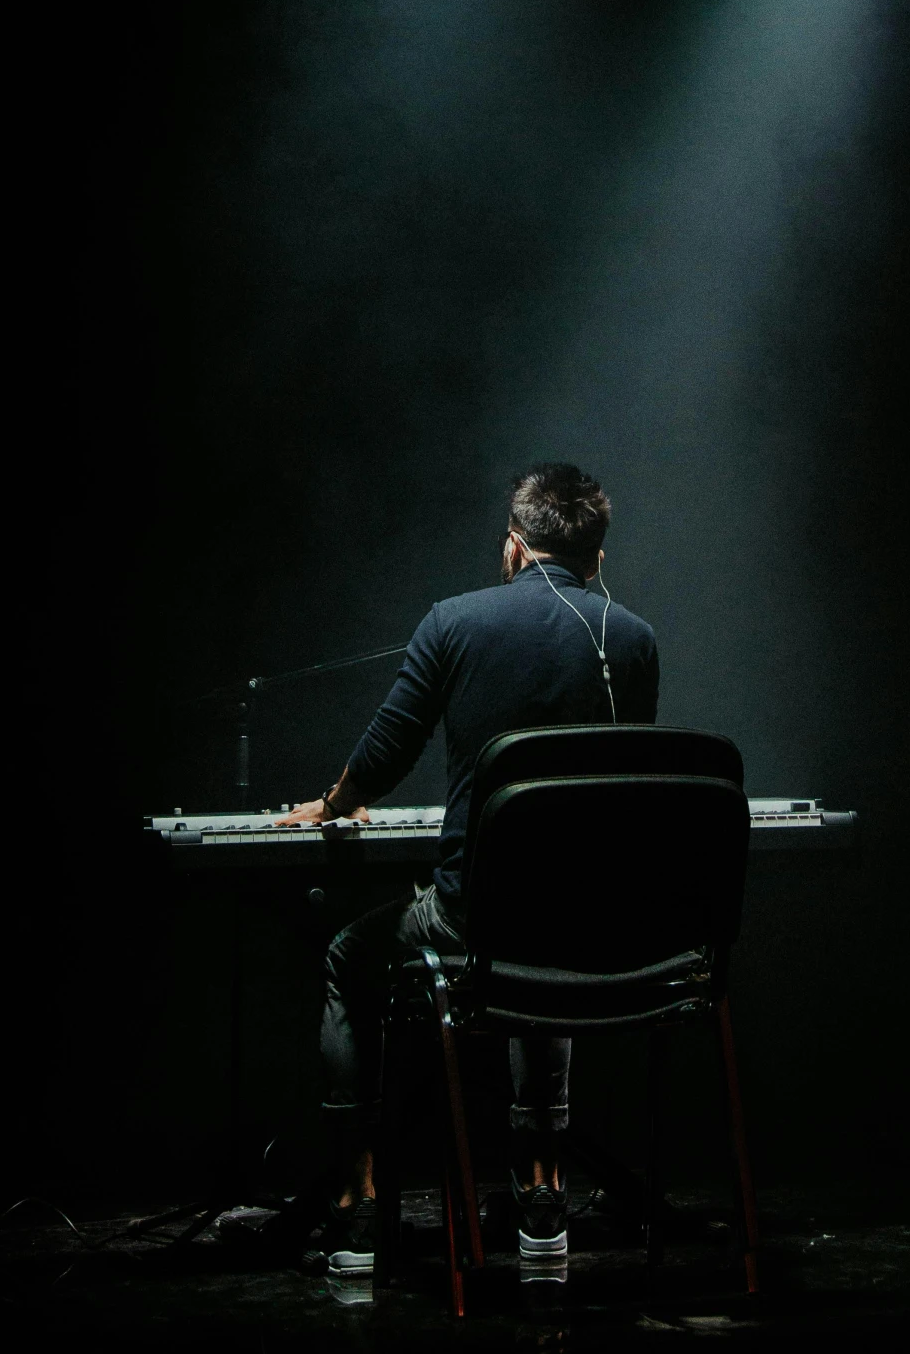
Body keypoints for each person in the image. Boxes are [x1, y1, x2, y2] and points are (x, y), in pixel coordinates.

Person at [276, 462, 658, 1276]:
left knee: (352, 954)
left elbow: (387, 750)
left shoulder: (454, 621)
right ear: (597, 555)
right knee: (547, 945)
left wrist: (336, 804)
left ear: (514, 548)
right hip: (596, 923)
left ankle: (354, 1205)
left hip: (471, 916)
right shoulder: (634, 639)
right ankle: (540, 1196)